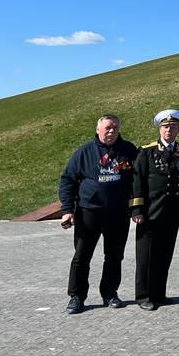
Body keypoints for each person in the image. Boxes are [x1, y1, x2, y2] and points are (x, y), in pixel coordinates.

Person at [59, 114, 138, 314]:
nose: (112, 131)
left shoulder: (128, 150)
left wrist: (136, 208)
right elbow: (67, 180)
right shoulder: (84, 152)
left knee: (114, 256)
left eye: (115, 128)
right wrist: (68, 210)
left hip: (118, 213)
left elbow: (137, 180)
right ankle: (76, 296)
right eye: (108, 128)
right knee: (82, 256)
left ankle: (110, 293)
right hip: (89, 213)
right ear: (98, 129)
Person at [130, 109, 179, 311]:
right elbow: (137, 181)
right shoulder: (146, 151)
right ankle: (143, 295)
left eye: (173, 126)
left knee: (165, 254)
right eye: (165, 126)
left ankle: (159, 293)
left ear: (178, 129)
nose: (169, 130)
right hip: (150, 212)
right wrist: (137, 209)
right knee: (146, 256)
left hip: (172, 212)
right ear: (159, 128)